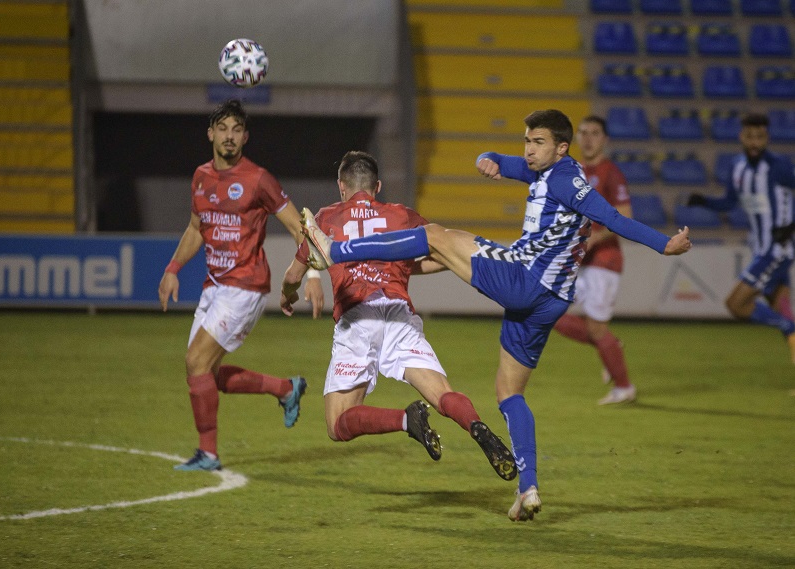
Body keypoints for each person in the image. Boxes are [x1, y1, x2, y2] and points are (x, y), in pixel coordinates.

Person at [300, 110, 691, 521]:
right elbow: (511, 164)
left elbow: (611, 217)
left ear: (561, 148)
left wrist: (664, 245)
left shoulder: (567, 180)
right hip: (550, 301)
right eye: (526, 140)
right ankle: (528, 490)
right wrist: (490, 159)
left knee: (436, 236)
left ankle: (337, 251)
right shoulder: (546, 169)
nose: (528, 150)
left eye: (536, 142)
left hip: (523, 279)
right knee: (509, 392)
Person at [279, 151, 517, 481]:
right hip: (398, 314)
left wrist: (287, 296)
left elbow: (293, 276)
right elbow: (439, 253)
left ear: (341, 187)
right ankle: (475, 424)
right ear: (376, 186)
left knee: (337, 423)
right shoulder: (401, 215)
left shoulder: (325, 217)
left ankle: (406, 420)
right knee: (441, 392)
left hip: (357, 319)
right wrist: (408, 268)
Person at [158, 99, 325, 471]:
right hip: (214, 285)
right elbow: (194, 228)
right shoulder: (201, 176)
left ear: (245, 137)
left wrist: (312, 274)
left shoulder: (259, 179)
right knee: (205, 374)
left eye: (236, 130)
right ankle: (286, 388)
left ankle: (209, 455)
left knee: (196, 361)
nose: (229, 136)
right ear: (210, 134)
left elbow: (300, 228)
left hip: (246, 286)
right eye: (223, 129)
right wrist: (173, 268)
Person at [687, 112, 795, 363]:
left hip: (776, 250)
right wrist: (704, 202)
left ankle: (790, 329)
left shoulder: (779, 167)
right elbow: (729, 203)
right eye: (750, 137)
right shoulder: (738, 167)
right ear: (741, 137)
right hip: (760, 249)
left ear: (767, 138)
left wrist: (790, 227)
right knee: (782, 307)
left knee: (736, 304)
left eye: (760, 137)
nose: (755, 142)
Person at [552, 116, 636, 405]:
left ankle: (624, 388)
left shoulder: (611, 173)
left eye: (595, 133)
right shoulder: (570, 171)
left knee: (596, 328)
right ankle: (610, 346)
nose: (588, 138)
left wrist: (595, 238)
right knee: (547, 311)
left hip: (604, 260)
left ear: (605, 139)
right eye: (583, 133)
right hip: (578, 260)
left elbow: (625, 216)